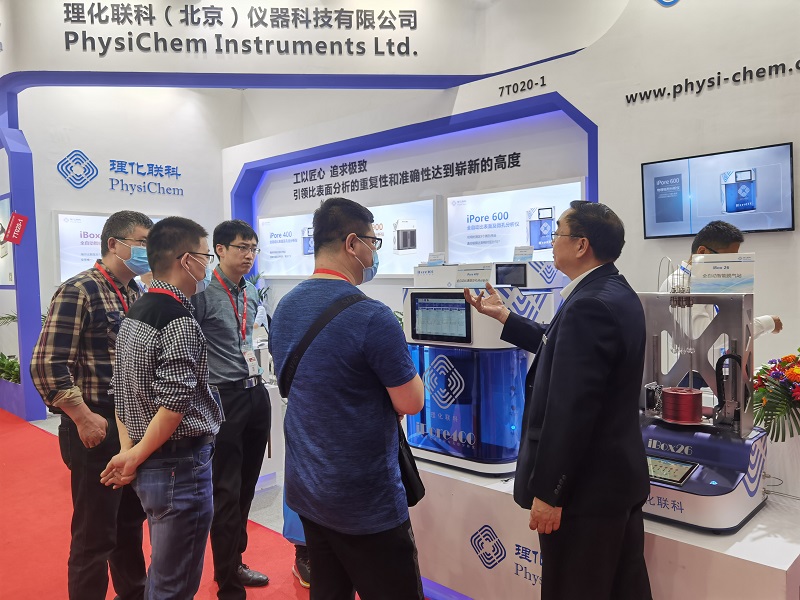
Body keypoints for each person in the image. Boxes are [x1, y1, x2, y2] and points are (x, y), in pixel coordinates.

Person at [465, 201, 652, 600]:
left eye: (557, 234)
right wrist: (505, 318)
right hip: (614, 482)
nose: (551, 242)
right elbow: (559, 344)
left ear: (581, 245)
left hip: (584, 493)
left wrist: (551, 493)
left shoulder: (589, 305)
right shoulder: (612, 292)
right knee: (623, 587)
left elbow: (572, 410)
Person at [269, 197, 425, 600]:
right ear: (353, 243)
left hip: (309, 487)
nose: (375, 253)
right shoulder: (373, 316)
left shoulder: (285, 307)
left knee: (329, 589)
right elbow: (411, 402)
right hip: (365, 499)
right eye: (373, 242)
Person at [30, 210, 152, 600]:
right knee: (94, 534)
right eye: (142, 242)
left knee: (129, 524)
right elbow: (47, 364)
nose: (148, 251)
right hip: (95, 426)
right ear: (114, 244)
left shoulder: (134, 292)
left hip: (130, 426)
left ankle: (133, 593)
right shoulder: (79, 289)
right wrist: (83, 417)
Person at [99, 216, 223, 598]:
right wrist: (133, 456)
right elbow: (173, 406)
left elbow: (121, 391)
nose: (209, 266)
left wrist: (129, 451)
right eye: (207, 256)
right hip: (178, 467)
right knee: (174, 583)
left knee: (163, 573)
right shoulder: (179, 321)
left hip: (150, 462)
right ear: (188, 260)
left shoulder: (136, 311)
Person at [191, 219, 272, 597]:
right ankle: (227, 582)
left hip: (255, 393)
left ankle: (234, 561)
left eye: (253, 248)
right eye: (242, 247)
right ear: (219, 250)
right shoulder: (202, 292)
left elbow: (253, 339)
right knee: (225, 489)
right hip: (222, 397)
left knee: (247, 486)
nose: (249, 255)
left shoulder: (251, 291)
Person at [661, 220, 782, 387]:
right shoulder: (680, 286)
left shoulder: (707, 282)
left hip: (716, 371)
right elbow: (705, 337)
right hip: (694, 378)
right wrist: (765, 323)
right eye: (728, 259)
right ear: (702, 252)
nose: (731, 266)